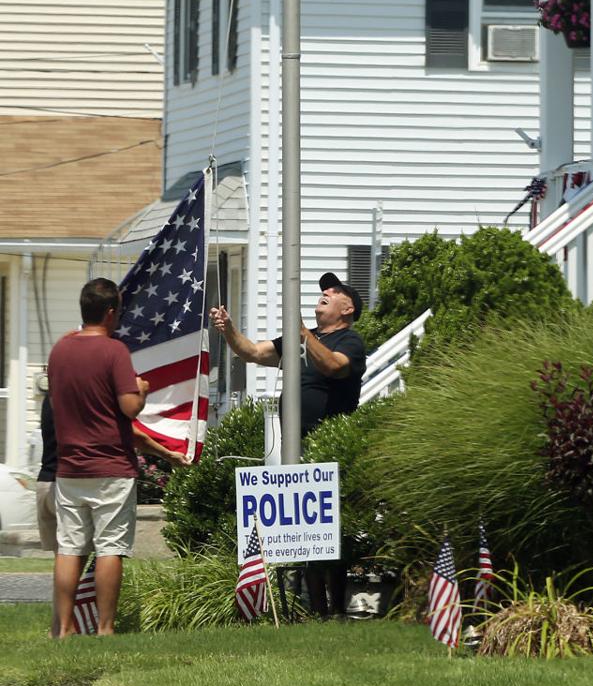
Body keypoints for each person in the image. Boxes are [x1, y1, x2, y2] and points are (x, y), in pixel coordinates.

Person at [209, 272, 367, 616]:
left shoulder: (349, 342)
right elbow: (251, 351)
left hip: (330, 446)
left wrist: (305, 336)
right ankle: (315, 609)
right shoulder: (299, 340)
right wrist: (228, 329)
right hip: (299, 446)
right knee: (307, 529)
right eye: (324, 290)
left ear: (348, 307)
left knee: (331, 528)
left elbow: (334, 367)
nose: (325, 293)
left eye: (334, 291)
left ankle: (335, 609)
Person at [37, 388, 190, 637]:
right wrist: (167, 454)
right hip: (74, 483)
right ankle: (102, 628)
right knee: (104, 550)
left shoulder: (55, 393)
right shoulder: (88, 397)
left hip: (46, 482)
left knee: (66, 556)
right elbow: (129, 434)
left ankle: (61, 629)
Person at [47, 278, 147, 637]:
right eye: (117, 310)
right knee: (110, 548)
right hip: (111, 467)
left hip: (70, 466)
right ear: (109, 312)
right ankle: (105, 628)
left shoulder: (59, 351)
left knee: (69, 547)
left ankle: (64, 628)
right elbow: (129, 407)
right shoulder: (114, 351)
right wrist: (142, 391)